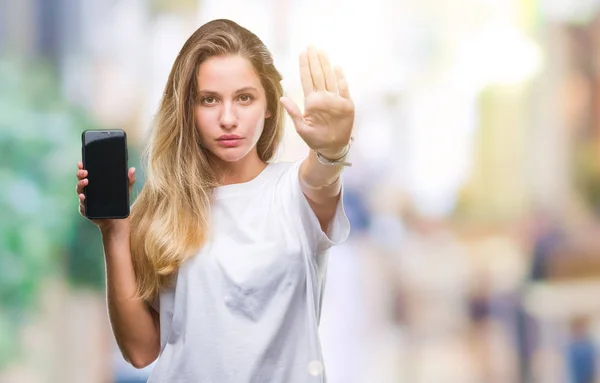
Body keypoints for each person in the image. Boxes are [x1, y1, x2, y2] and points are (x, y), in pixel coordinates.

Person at [75, 18, 354, 382]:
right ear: (188, 110)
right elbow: (141, 352)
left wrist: (333, 150)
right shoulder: (162, 208)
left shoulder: (295, 191)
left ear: (268, 104)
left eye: (244, 98)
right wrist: (114, 231)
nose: (227, 118)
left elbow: (323, 175)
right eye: (209, 100)